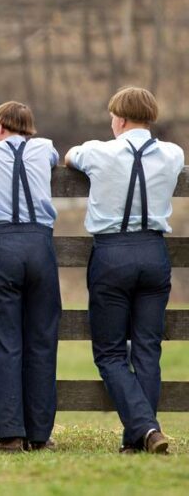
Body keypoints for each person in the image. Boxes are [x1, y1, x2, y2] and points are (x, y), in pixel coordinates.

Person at [66, 86, 183, 454]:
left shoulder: (99, 151)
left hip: (113, 253)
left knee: (110, 353)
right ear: (150, 118)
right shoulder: (173, 154)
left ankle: (145, 429)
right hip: (153, 252)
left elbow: (71, 156)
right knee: (147, 349)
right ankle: (137, 440)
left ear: (118, 119)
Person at [0, 102, 61, 452]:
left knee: (6, 341)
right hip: (40, 244)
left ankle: (10, 434)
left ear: (1, 126)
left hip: (3, 244)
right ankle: (40, 435)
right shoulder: (45, 147)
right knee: (42, 339)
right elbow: (52, 158)